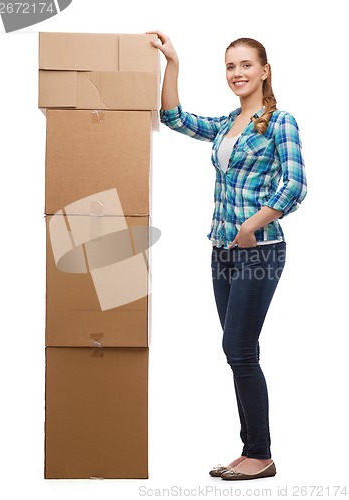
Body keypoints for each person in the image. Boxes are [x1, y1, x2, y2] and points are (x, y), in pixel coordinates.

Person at [148, 30, 307, 481]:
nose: (238, 73)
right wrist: (172, 64)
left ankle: (261, 454)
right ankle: (252, 450)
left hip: (260, 250)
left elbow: (294, 186)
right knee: (239, 350)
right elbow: (175, 117)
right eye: (230, 66)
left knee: (238, 349)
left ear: (265, 70)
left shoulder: (281, 122)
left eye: (246, 65)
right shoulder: (225, 124)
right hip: (221, 251)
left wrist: (250, 226)